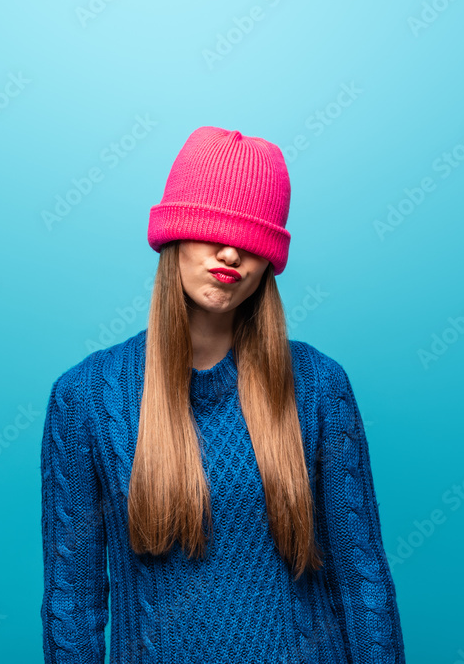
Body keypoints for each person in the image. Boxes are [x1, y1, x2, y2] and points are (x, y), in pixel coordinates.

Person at [39, 126, 406, 662]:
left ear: (269, 260)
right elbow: (74, 604)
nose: (231, 251)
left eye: (252, 240)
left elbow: (364, 580)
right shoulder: (86, 398)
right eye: (212, 228)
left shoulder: (320, 386)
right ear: (174, 237)